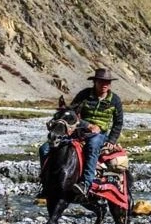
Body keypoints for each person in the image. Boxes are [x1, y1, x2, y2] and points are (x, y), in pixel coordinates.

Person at [39, 67, 124, 199]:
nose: (104, 85)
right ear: (95, 82)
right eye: (101, 81)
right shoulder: (84, 95)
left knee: (93, 146)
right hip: (78, 131)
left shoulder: (115, 100)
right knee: (44, 148)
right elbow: (71, 114)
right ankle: (46, 182)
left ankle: (86, 183)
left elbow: (118, 123)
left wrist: (111, 141)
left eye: (107, 82)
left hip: (99, 135)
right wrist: (87, 125)